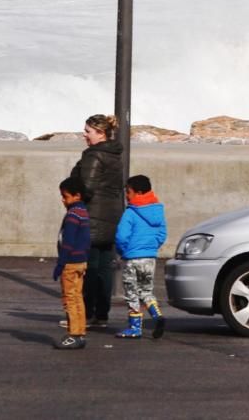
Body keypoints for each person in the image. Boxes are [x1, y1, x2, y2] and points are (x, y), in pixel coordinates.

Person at [69, 114, 124, 328]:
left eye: (88, 131)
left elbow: (87, 188)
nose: (84, 135)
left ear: (100, 133)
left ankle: (86, 313)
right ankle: (102, 315)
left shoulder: (94, 155)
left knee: (89, 268)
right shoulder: (114, 155)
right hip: (112, 216)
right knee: (105, 268)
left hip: (92, 217)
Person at [114, 174, 168, 339]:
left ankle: (135, 327)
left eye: (128, 192)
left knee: (131, 292)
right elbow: (162, 234)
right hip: (150, 258)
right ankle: (157, 315)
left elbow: (121, 236)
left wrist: (123, 251)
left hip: (132, 258)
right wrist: (151, 247)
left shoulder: (130, 213)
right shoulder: (157, 211)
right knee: (146, 290)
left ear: (137, 192)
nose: (127, 196)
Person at [54, 176, 90, 350]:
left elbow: (68, 242)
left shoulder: (72, 215)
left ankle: (73, 333)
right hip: (81, 261)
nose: (63, 200)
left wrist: (61, 264)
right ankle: (80, 332)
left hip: (70, 262)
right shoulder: (83, 212)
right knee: (78, 297)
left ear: (77, 196)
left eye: (65, 196)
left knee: (69, 299)